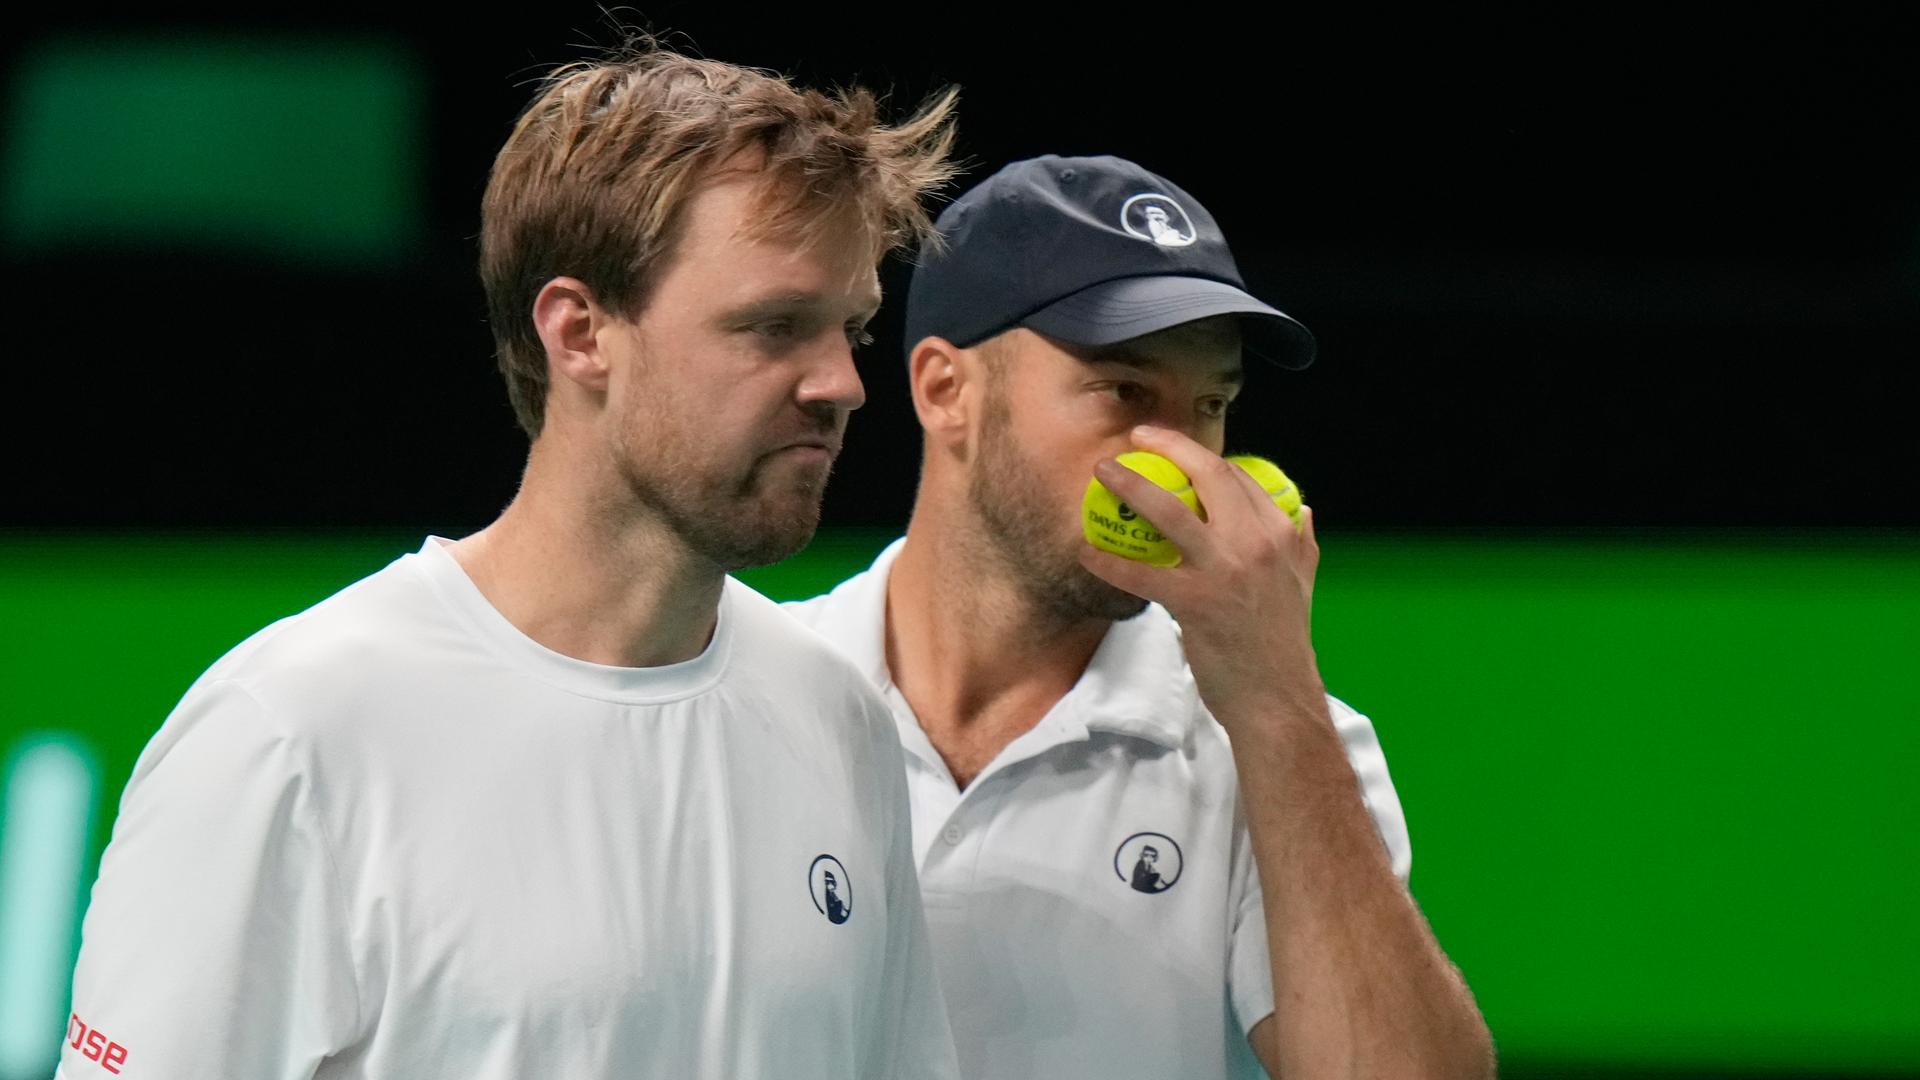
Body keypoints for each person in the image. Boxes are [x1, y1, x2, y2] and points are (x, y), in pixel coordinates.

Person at [61, 46, 961, 1080]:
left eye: (852, 330)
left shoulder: (838, 718)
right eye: (774, 327)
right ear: (579, 333)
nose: (842, 384)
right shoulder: (293, 733)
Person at [785, 155, 1496, 1079]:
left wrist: (1277, 703)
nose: (1179, 461)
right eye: (1125, 392)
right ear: (945, 391)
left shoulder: (1280, 747)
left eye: (1211, 404)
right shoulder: (761, 693)